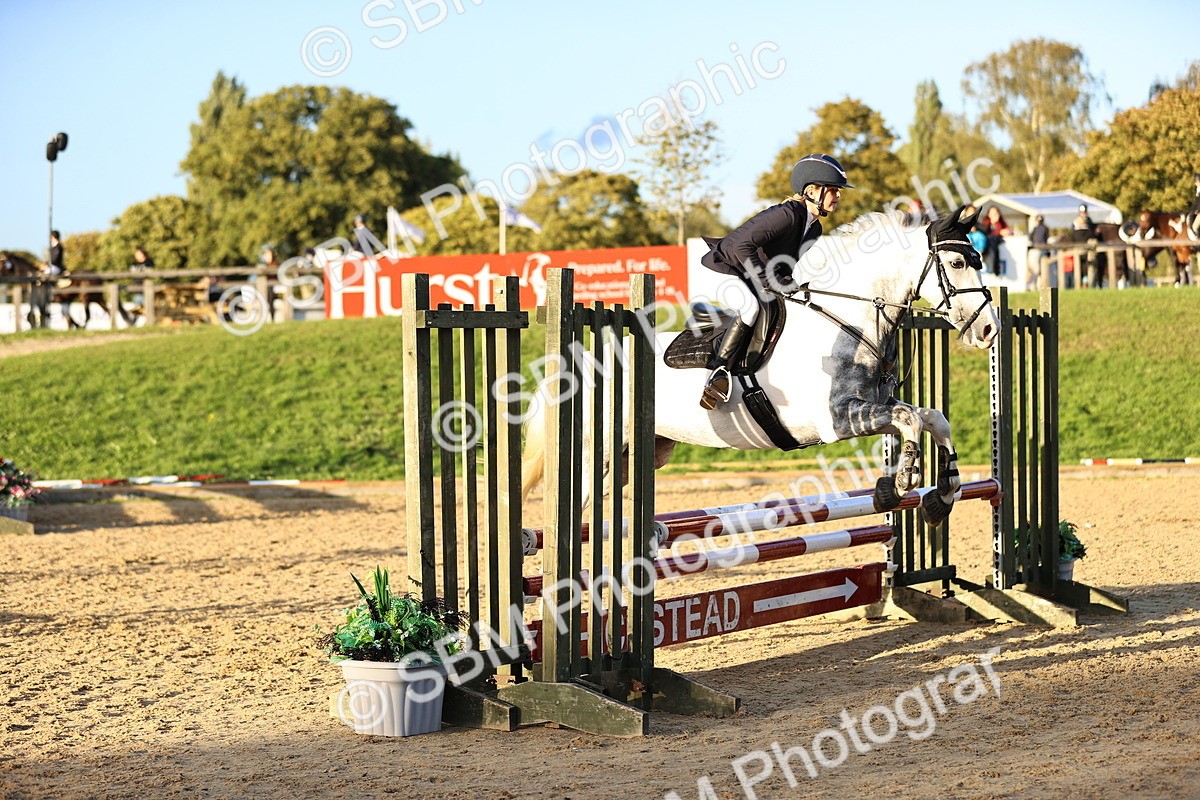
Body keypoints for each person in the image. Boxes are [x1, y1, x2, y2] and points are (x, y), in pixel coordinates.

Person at [697, 153, 853, 409]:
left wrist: (792, 286)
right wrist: (772, 281)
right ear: (812, 190)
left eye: (839, 191)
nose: (838, 196)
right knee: (751, 307)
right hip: (724, 267)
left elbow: (782, 268)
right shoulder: (787, 214)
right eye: (834, 190)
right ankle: (717, 373)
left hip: (749, 274)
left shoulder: (814, 229)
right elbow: (738, 246)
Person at [980, 206, 1010, 276]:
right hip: (989, 244)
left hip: (998, 242)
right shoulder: (985, 223)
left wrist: (997, 223)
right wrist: (999, 231)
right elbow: (986, 232)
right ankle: (992, 267)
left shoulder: (1001, 222)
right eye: (992, 213)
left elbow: (1005, 231)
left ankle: (995, 268)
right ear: (988, 214)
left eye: (995, 213)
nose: (994, 215)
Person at [1071, 204, 1096, 287]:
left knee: (1088, 265)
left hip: (1087, 249)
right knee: (1080, 265)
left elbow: (1092, 234)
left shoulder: (1089, 221)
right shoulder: (1075, 222)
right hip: (1079, 248)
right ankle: (1080, 281)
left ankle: (1086, 281)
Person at [1027, 214, 1050, 290]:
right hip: (1037, 250)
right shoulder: (1037, 228)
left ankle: (1038, 286)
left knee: (1039, 270)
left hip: (1041, 250)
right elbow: (1031, 238)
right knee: (1036, 269)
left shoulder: (1043, 228)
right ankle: (1034, 286)